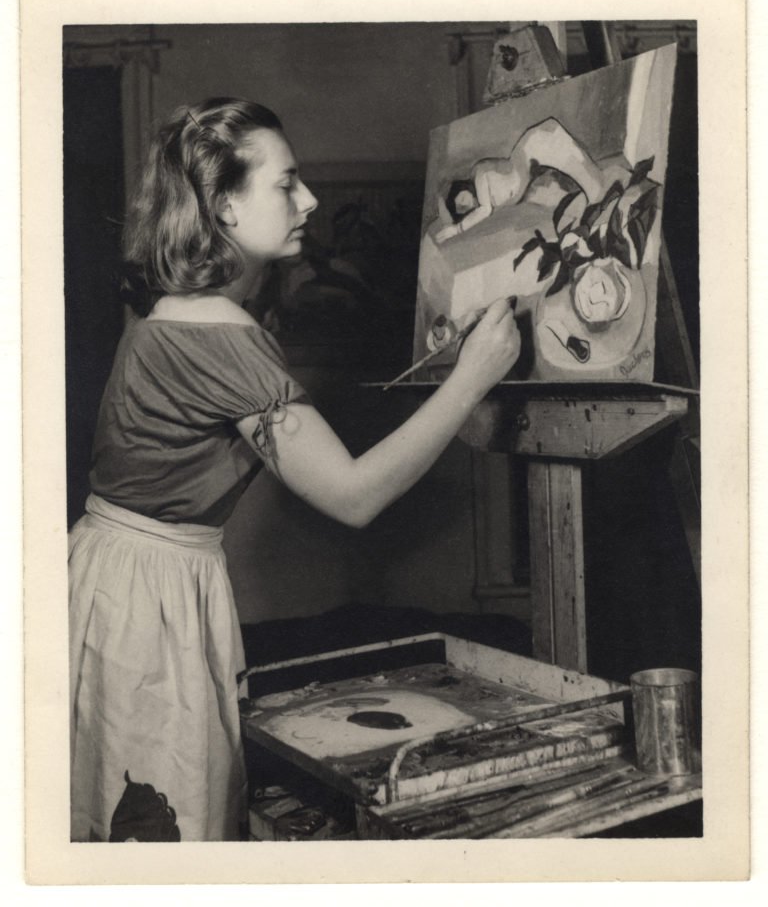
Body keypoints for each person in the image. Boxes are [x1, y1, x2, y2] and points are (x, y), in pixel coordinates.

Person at [67, 97, 521, 842]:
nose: (309, 200)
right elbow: (352, 496)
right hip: (146, 600)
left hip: (114, 581)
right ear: (224, 207)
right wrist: (472, 376)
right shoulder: (221, 335)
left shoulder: (177, 311)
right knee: (163, 832)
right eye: (286, 184)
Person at [434, 117, 606, 244]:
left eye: (462, 199)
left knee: (595, 188)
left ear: (462, 187)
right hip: (533, 176)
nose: (468, 205)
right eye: (463, 209)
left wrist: (457, 229)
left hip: (536, 145)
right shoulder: (487, 198)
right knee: (582, 204)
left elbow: (485, 210)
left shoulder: (479, 174)